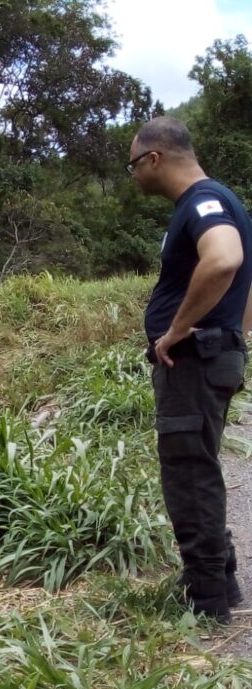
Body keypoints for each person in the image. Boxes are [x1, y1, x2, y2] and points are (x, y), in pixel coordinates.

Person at [129, 116, 251, 623]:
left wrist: (178, 330)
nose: (132, 175)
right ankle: (219, 579)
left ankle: (206, 601)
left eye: (133, 164)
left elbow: (224, 260)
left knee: (187, 472)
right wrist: (237, 335)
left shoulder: (203, 202)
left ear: (155, 158)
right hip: (212, 354)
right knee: (199, 465)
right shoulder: (220, 201)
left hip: (193, 359)